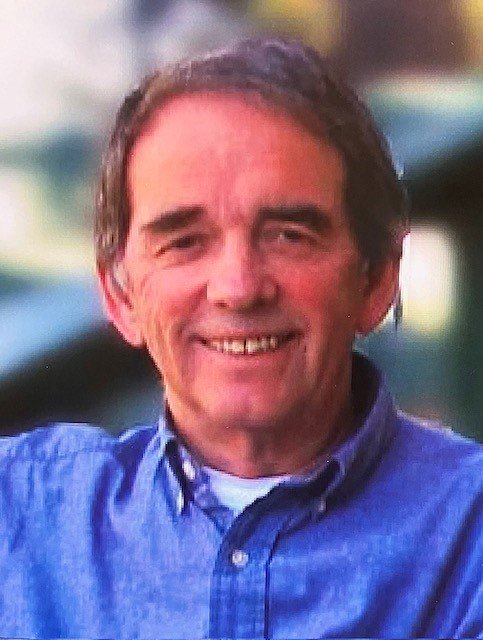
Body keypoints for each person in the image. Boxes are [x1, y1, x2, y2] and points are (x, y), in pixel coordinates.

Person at [0, 37, 481, 639]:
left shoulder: (469, 538)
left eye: (288, 235)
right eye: (184, 242)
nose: (238, 288)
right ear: (120, 297)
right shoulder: (20, 514)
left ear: (378, 277)